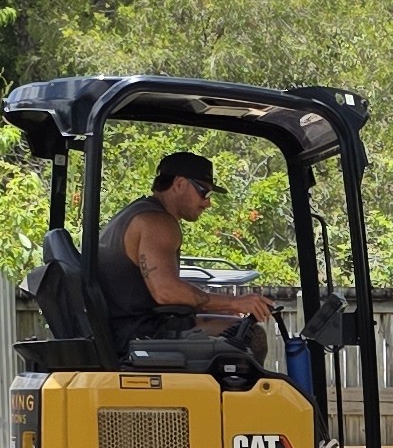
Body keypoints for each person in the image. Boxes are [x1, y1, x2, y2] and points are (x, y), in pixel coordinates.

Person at [98, 150, 279, 358]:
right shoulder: (158, 223)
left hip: (127, 330)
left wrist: (219, 309)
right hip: (139, 337)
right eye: (204, 192)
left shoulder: (135, 213)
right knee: (251, 335)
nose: (207, 203)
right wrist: (234, 302)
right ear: (180, 183)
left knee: (233, 324)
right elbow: (166, 291)